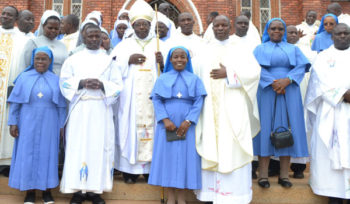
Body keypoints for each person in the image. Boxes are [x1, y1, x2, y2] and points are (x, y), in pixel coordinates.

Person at [195, 15, 260, 204]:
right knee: (210, 144)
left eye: (224, 25)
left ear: (230, 27)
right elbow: (195, 75)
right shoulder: (204, 50)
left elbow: (254, 73)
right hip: (209, 109)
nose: (221, 28)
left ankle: (234, 196)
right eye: (217, 25)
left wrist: (230, 73)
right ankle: (209, 195)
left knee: (234, 146)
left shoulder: (240, 48)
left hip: (234, 107)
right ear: (212, 27)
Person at [59, 23, 123, 204]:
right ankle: (77, 191)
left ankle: (95, 191)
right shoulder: (73, 59)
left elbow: (118, 86)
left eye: (98, 36)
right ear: (84, 37)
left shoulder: (109, 60)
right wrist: (81, 83)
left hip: (100, 109)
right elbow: (64, 82)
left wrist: (103, 85)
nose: (94, 39)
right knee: (77, 148)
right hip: (80, 108)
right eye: (90, 36)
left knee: (99, 148)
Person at [112, 0, 167, 184]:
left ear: (151, 26)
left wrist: (162, 62)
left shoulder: (160, 45)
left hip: (153, 98)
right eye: (138, 24)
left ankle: (152, 170)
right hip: (131, 98)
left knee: (153, 131)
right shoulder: (124, 46)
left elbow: (171, 70)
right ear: (133, 25)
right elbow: (112, 69)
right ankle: (130, 172)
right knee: (129, 129)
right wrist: (127, 60)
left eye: (145, 24)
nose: (142, 27)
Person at [253, 18, 310, 189]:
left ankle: (284, 175)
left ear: (284, 31)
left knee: (287, 129)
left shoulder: (293, 49)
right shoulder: (259, 49)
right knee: (265, 129)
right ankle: (263, 175)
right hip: (267, 90)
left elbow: (302, 66)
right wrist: (273, 81)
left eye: (280, 28)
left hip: (289, 90)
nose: (276, 31)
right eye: (273, 28)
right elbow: (254, 68)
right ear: (267, 31)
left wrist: (288, 79)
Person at [8, 46, 66, 204]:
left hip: (50, 122)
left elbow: (61, 105)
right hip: (27, 121)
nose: (40, 62)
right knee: (27, 155)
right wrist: (13, 122)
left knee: (48, 155)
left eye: (44, 59)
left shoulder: (56, 79)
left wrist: (62, 125)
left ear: (50, 61)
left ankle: (47, 192)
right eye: (37, 59)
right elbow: (15, 103)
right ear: (33, 60)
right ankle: (29, 193)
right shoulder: (24, 77)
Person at [148, 46, 206, 204]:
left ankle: (181, 198)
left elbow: (199, 101)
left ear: (187, 60)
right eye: (175, 57)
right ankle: (171, 197)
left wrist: (189, 121)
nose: (179, 60)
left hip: (187, 125)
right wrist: (165, 119)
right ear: (170, 60)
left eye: (182, 57)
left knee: (185, 158)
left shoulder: (194, 79)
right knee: (169, 159)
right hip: (167, 124)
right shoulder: (162, 78)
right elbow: (157, 100)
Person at [306, 23, 350, 204]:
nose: (342, 36)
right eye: (338, 34)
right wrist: (342, 94)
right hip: (331, 111)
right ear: (332, 37)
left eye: (346, 33)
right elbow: (318, 82)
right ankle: (334, 194)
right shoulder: (323, 57)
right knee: (328, 149)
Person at [0, 5, 27, 177]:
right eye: (3, 13)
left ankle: (6, 162)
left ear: (16, 19)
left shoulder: (22, 39)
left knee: (8, 125)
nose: (5, 17)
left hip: (9, 90)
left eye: (10, 15)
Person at [19, 10, 68, 76]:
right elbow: (24, 65)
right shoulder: (33, 43)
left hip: (59, 82)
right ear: (43, 26)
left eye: (56, 28)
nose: (53, 30)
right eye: (50, 28)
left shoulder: (62, 45)